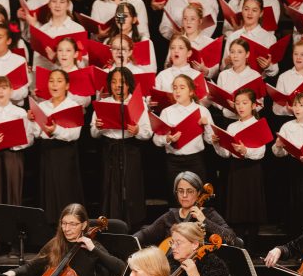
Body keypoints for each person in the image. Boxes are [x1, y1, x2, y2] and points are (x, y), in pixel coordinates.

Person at [0, 76, 35, 258]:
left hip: (13, 156)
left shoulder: (19, 113)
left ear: (11, 91)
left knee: (13, 198)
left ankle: (15, 245)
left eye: (4, 88)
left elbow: (30, 137)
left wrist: (15, 142)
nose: (0, 91)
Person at [90, 66, 152, 227]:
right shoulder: (103, 103)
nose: (118, 85)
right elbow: (93, 133)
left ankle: (131, 224)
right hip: (109, 149)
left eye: (122, 82)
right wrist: (98, 127)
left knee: (130, 185)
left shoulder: (137, 103)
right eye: (114, 82)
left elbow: (147, 133)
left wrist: (137, 130)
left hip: (129, 149)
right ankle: (109, 225)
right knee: (108, 187)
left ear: (128, 84)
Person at [210, 87, 268, 246]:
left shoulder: (258, 125)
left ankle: (252, 247)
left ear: (254, 105)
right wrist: (217, 145)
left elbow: (261, 152)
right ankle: (240, 245)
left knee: (252, 209)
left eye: (244, 103)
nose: (241, 106)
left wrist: (245, 150)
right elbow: (226, 154)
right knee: (237, 210)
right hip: (235, 169)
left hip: (252, 169)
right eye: (237, 103)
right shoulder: (232, 127)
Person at [28, 69, 85, 223]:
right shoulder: (42, 105)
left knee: (65, 190)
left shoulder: (73, 105)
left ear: (67, 85)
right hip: (47, 150)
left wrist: (56, 130)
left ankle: (70, 227)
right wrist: (32, 121)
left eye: (59, 81)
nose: (54, 84)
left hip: (65, 152)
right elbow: (36, 133)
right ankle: (50, 227)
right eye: (51, 80)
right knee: (48, 191)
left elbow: (75, 134)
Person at [135, 170, 237, 246]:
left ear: (198, 193)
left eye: (189, 191)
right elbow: (144, 235)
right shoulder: (170, 216)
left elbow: (231, 239)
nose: (184, 195)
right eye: (180, 191)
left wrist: (205, 221)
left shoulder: (208, 214)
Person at [271, 91, 303, 235]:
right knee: (295, 206)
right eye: (295, 105)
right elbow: (279, 153)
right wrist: (278, 146)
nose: (297, 108)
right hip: (294, 169)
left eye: (301, 105)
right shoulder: (287, 126)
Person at [154, 73, 215, 186]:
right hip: (173, 161)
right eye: (175, 88)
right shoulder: (166, 112)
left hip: (195, 160)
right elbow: (156, 140)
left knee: (196, 197)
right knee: (176, 197)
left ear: (191, 92)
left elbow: (210, 140)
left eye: (182, 88)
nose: (177, 91)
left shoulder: (202, 111)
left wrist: (206, 125)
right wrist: (167, 138)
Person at [222, 0, 279, 78]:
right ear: (242, 11)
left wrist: (268, 66)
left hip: (256, 83)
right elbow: (223, 67)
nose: (249, 13)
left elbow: (275, 71)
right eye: (246, 9)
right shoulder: (233, 36)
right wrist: (227, 63)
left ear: (261, 13)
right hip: (234, 82)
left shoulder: (269, 38)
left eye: (254, 10)